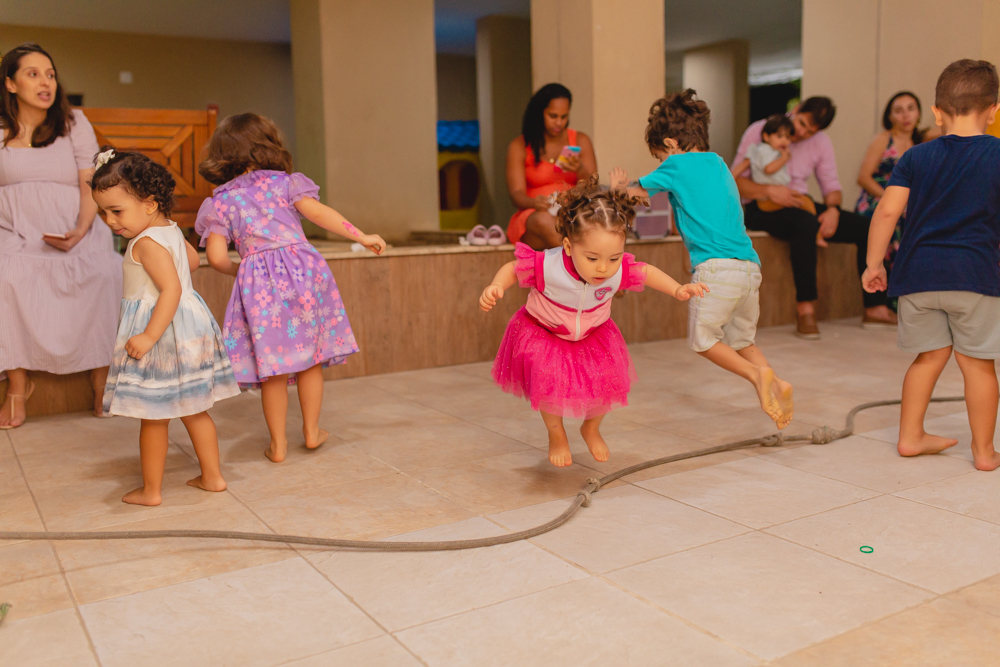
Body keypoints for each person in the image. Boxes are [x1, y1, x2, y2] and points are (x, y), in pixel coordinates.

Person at [196, 113, 386, 463]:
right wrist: (361, 235)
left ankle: (278, 445)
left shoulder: (221, 201)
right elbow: (320, 214)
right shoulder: (285, 184)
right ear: (267, 145)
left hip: (258, 283)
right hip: (303, 273)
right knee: (309, 359)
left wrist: (243, 270)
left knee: (273, 366)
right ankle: (312, 431)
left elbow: (217, 257)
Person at [480, 175, 707, 467]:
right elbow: (514, 268)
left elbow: (646, 272)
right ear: (568, 246)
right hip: (544, 332)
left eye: (614, 258)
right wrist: (496, 286)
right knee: (548, 383)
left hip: (592, 333)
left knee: (607, 381)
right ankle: (556, 433)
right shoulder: (548, 265)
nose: (603, 268)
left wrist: (677, 289)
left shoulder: (616, 269)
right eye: (592, 258)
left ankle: (591, 427)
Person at [612, 90, 794, 430]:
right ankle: (777, 384)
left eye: (659, 156)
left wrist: (620, 185)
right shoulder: (719, 163)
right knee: (743, 341)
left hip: (716, 270)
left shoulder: (676, 164)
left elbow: (635, 194)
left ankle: (758, 375)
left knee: (704, 341)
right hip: (749, 268)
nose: (661, 163)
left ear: (671, 144)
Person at [863, 60, 1000, 472]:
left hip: (918, 276)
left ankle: (910, 437)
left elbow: (887, 212)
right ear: (993, 111)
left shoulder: (914, 156)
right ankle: (984, 452)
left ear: (937, 113)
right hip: (975, 276)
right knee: (978, 364)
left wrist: (874, 264)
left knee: (928, 357)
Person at [93, 149, 240, 505]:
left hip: (163, 334)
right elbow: (192, 263)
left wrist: (148, 336)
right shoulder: (170, 230)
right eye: (103, 212)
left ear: (149, 204)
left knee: (154, 417)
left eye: (116, 211)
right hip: (189, 328)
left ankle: (151, 490)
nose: (109, 221)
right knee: (194, 408)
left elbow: (170, 289)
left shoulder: (144, 243)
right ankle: (213, 477)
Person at [0, 43, 121, 428]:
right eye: (33, 74)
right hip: (15, 235)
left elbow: (91, 184)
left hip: (78, 231)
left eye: (50, 74)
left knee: (107, 272)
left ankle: (103, 381)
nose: (45, 82)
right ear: (10, 83)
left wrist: (80, 231)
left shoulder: (73, 123)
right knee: (5, 276)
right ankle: (18, 387)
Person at [732, 97, 896, 339]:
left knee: (867, 227)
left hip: (800, 201)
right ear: (796, 109)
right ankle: (805, 309)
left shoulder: (821, 142)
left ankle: (875, 307)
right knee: (805, 223)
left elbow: (831, 185)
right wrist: (769, 190)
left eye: (811, 131)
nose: (802, 133)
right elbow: (735, 180)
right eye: (802, 123)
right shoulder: (761, 130)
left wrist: (833, 210)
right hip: (761, 205)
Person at [855, 91, 938, 308]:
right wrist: (892, 200)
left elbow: (953, 129)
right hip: (877, 201)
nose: (905, 115)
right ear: (890, 116)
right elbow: (863, 178)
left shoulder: (921, 140)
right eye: (899, 111)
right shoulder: (883, 139)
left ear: (919, 113)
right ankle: (884, 301)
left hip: (906, 205)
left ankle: (910, 298)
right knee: (894, 219)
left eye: (911, 108)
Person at [505, 83, 597, 250]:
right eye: (553, 116)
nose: (559, 123)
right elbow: (516, 194)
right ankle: (582, 260)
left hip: (573, 214)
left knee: (592, 220)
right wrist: (534, 203)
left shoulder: (580, 140)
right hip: (535, 217)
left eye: (564, 117)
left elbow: (593, 188)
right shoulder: (519, 146)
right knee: (544, 220)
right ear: (540, 113)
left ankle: (581, 257)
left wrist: (580, 169)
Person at [730, 113, 816, 217]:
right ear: (766, 136)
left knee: (807, 203)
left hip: (777, 194)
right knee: (805, 205)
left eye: (788, 137)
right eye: (779, 136)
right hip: (766, 199)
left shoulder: (775, 152)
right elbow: (768, 169)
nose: (784, 141)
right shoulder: (762, 150)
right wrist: (728, 181)